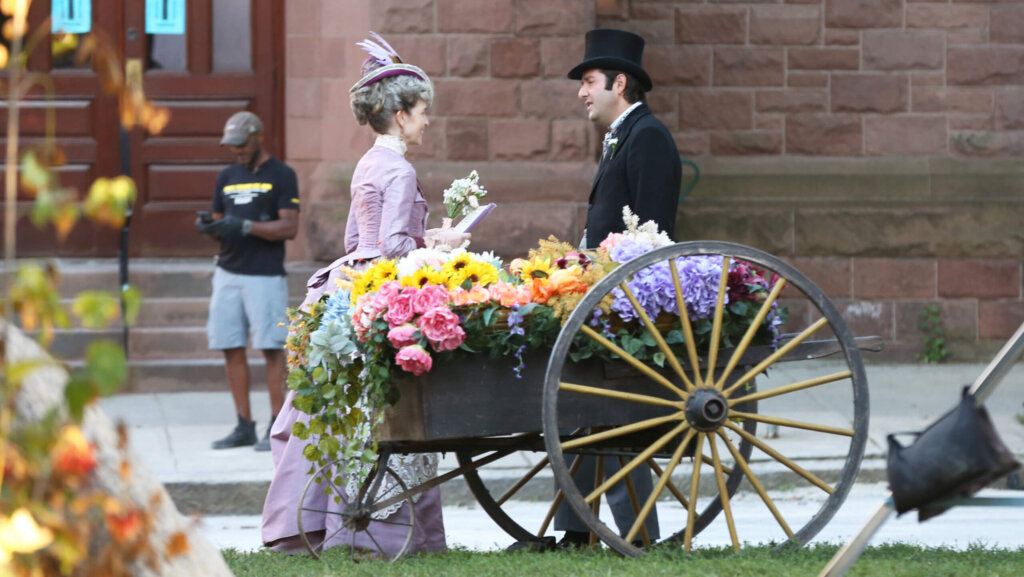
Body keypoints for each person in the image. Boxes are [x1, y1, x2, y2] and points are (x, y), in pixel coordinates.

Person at [261, 33, 466, 557]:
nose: (426, 121)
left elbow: (357, 243)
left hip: (347, 284)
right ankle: (387, 533)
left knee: (346, 412)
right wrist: (442, 249)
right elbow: (395, 252)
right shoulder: (398, 168)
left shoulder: (368, 163)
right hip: (377, 288)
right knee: (382, 413)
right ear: (399, 115)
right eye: (421, 111)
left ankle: (320, 521)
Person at [556, 28, 682, 549]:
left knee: (615, 414)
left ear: (620, 83)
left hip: (629, 303)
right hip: (601, 294)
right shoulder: (621, 137)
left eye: (589, 81)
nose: (582, 92)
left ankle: (636, 532)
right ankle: (577, 530)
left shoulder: (647, 137)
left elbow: (652, 235)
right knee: (583, 408)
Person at [195, 110, 300, 452]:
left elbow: (289, 227)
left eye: (241, 144)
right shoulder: (227, 175)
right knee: (230, 345)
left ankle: (276, 422)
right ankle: (243, 425)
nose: (237, 151)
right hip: (228, 271)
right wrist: (210, 228)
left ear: (258, 136)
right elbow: (217, 218)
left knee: (271, 347)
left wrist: (244, 227)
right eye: (232, 146)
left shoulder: (282, 175)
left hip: (265, 274)